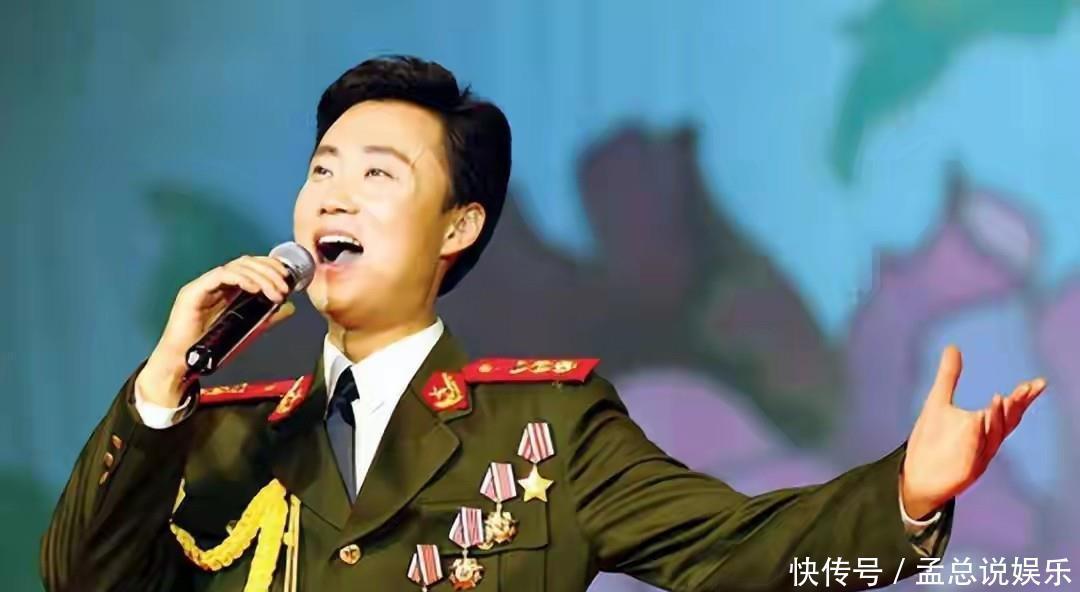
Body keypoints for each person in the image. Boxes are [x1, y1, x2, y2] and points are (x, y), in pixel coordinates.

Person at [41, 55, 1047, 592]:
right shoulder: (218, 434)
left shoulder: (545, 433)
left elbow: (734, 548)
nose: (332, 197)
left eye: (377, 175)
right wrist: (165, 381)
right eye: (321, 172)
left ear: (459, 225)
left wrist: (906, 495)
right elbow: (82, 580)